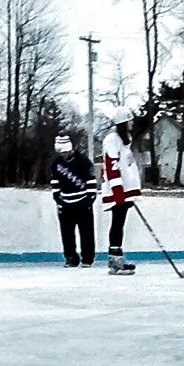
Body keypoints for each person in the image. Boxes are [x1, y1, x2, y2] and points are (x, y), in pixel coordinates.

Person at [100, 107, 141, 276]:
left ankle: (117, 257)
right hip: (119, 191)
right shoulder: (112, 140)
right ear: (123, 122)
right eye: (129, 120)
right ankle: (115, 260)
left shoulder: (125, 140)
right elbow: (111, 165)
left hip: (126, 190)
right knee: (117, 223)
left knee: (120, 223)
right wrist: (118, 189)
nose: (132, 123)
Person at [51, 131, 97, 267]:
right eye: (61, 152)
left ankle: (87, 258)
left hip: (83, 202)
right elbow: (55, 181)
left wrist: (90, 197)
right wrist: (57, 197)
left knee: (86, 232)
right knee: (67, 233)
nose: (64, 155)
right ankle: (71, 257)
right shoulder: (56, 164)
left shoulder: (83, 161)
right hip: (65, 203)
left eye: (66, 151)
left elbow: (90, 179)